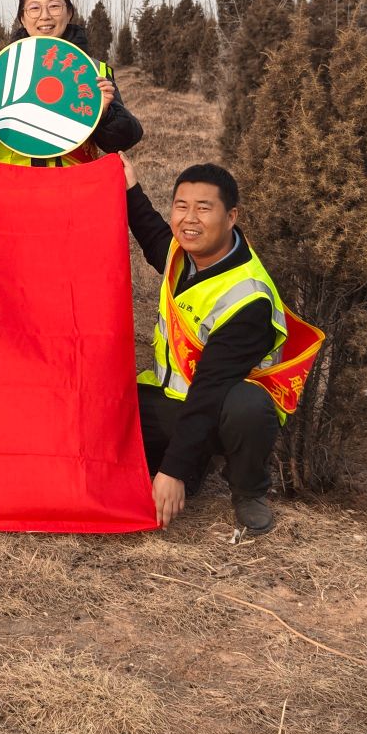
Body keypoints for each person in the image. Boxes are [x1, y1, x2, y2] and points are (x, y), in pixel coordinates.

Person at [124, 157, 316, 536]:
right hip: (168, 399)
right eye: (181, 206)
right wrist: (130, 187)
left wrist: (172, 472)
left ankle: (248, 490)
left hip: (220, 411)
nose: (189, 219)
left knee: (247, 406)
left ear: (231, 217)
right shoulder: (183, 255)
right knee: (103, 413)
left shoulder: (247, 298)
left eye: (203, 208)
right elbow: (152, 234)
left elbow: (210, 391)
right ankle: (191, 462)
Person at [0, 0, 143, 165]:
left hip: (73, 181)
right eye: (34, 8)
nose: (45, 16)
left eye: (54, 6)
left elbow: (124, 140)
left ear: (69, 13)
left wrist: (105, 114)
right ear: (22, 18)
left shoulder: (93, 70)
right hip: (12, 181)